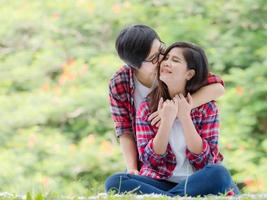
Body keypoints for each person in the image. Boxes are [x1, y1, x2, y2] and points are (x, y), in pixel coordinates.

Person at [106, 42, 240, 196]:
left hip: (199, 180)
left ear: (189, 74)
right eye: (167, 58)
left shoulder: (207, 108)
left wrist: (184, 116)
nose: (166, 63)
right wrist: (166, 122)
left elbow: (205, 161)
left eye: (175, 60)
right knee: (115, 181)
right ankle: (177, 196)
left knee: (219, 173)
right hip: (160, 181)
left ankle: (170, 197)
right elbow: (150, 161)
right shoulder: (147, 107)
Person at [109, 24, 225, 175]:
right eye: (153, 58)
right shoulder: (120, 82)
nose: (163, 58)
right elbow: (124, 130)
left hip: (194, 167)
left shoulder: (173, 67)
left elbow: (217, 87)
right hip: (155, 166)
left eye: (161, 50)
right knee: (119, 181)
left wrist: (179, 109)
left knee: (219, 176)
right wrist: (132, 168)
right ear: (135, 66)